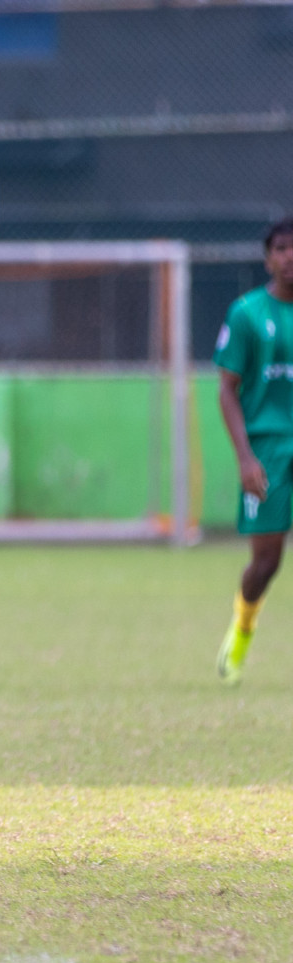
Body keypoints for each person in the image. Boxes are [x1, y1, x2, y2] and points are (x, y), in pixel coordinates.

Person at [215, 216, 293, 685]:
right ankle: (242, 628)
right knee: (266, 563)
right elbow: (227, 388)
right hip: (268, 448)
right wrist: (246, 458)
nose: (290, 257)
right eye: (282, 249)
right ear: (268, 258)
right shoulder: (247, 313)